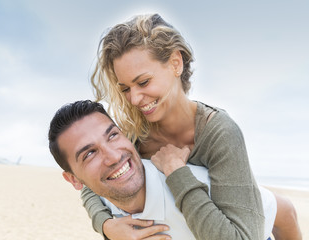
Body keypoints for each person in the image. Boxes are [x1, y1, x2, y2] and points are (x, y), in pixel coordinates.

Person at [85, 13, 302, 240]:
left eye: (143, 82)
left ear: (175, 63)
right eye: (125, 89)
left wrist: (177, 172)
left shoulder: (219, 132)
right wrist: (106, 225)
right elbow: (89, 181)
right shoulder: (133, 134)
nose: (135, 99)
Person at [48, 100, 277, 240]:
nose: (114, 156)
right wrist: (106, 227)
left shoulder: (201, 185)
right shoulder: (104, 196)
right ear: (74, 180)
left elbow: (277, 207)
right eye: (89, 154)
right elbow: (89, 192)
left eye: (113, 135)